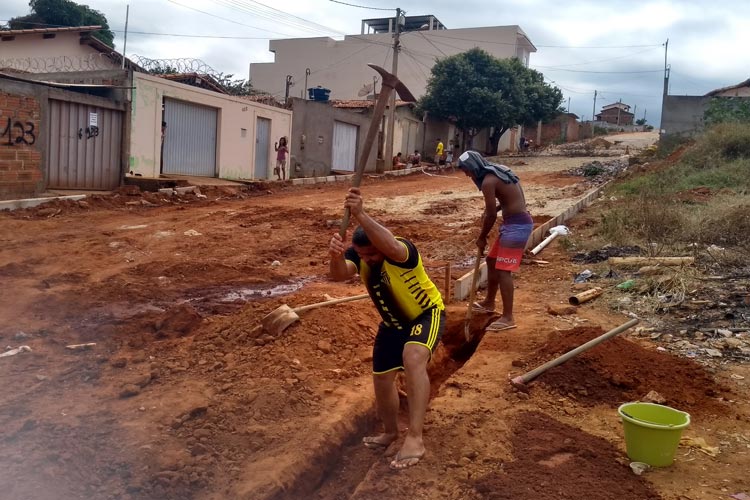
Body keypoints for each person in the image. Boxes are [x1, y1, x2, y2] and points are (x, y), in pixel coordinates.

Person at [329, 187, 445, 470]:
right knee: (381, 379)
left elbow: (390, 245)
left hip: (425, 316)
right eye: (362, 256)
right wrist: (335, 255)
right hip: (392, 325)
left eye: (370, 255)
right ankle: (391, 431)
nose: (366, 260)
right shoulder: (361, 254)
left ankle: (415, 437)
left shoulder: (400, 252)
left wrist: (360, 214)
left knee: (413, 356)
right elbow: (339, 274)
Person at [457, 151, 533, 331]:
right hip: (514, 222)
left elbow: (490, 215)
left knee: (504, 271)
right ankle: (489, 303)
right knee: (492, 260)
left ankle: (508, 317)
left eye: (466, 170)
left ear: (474, 166)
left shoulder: (487, 182)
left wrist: (482, 237)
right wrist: (500, 206)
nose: (467, 175)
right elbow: (513, 197)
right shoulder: (500, 170)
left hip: (517, 226)